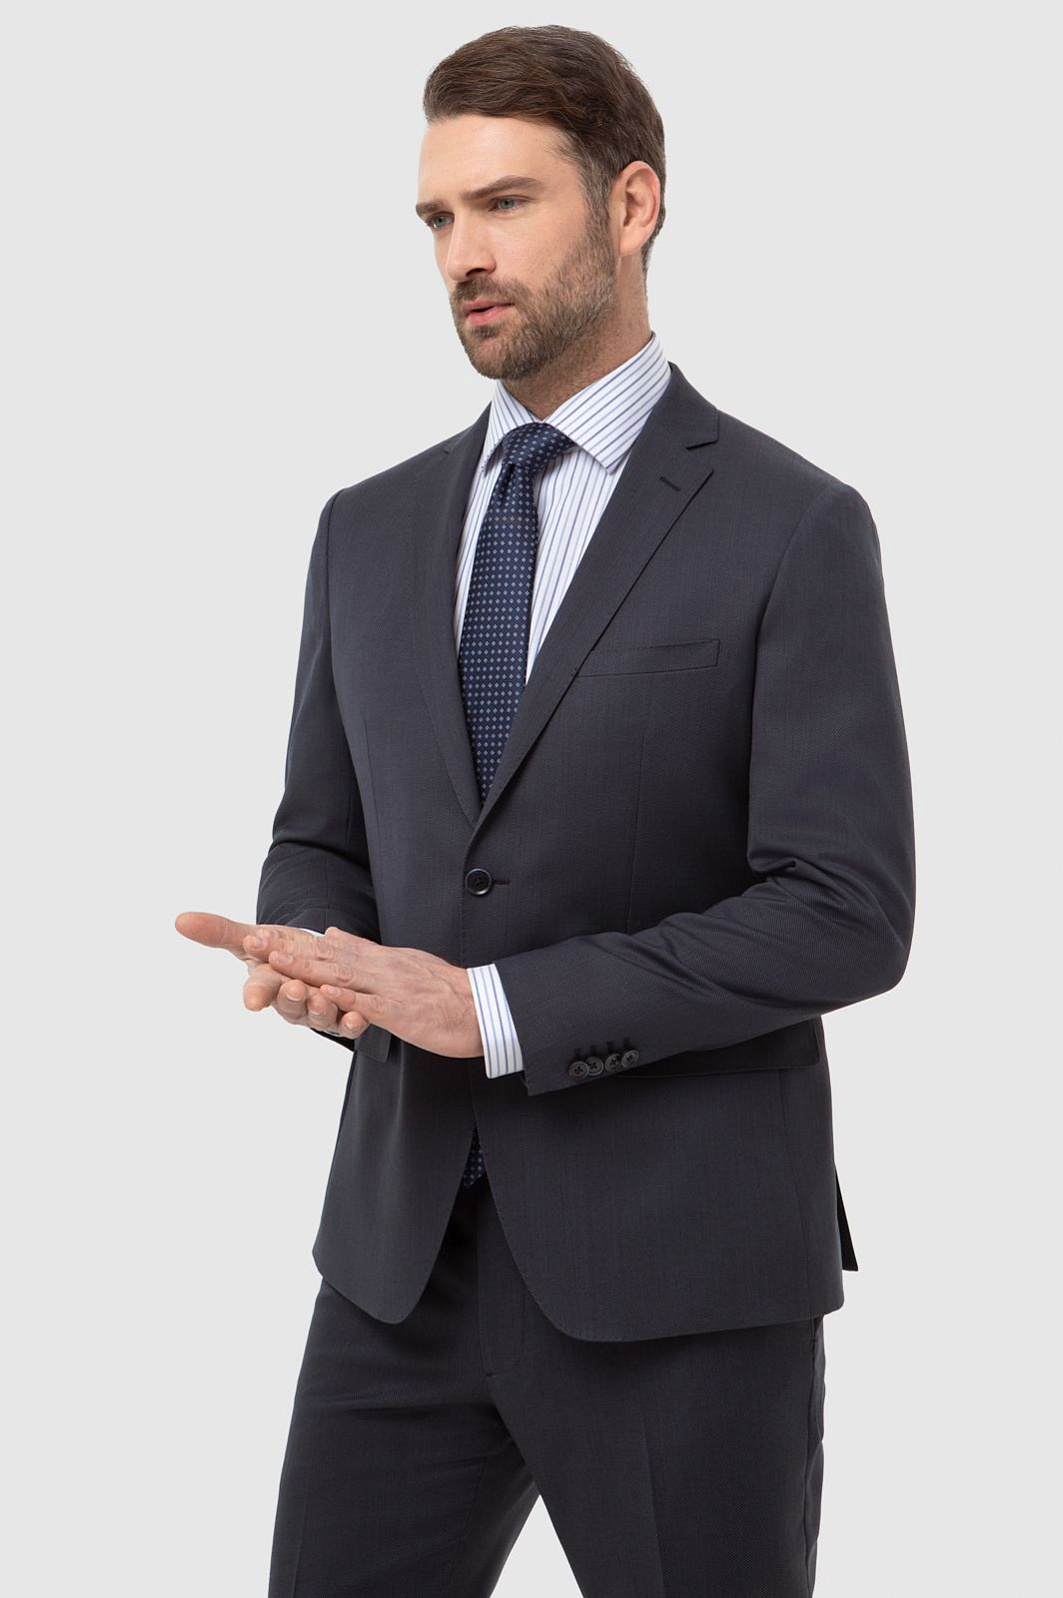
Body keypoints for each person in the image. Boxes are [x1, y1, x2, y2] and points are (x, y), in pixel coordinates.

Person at [177, 23, 915, 1595]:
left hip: (682, 1268)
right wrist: (320, 953)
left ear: (632, 205)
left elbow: (845, 907)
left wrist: (493, 1008)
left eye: (505, 204)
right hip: (399, 1262)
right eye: (438, 218)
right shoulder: (366, 529)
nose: (464, 253)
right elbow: (323, 831)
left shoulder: (792, 525)